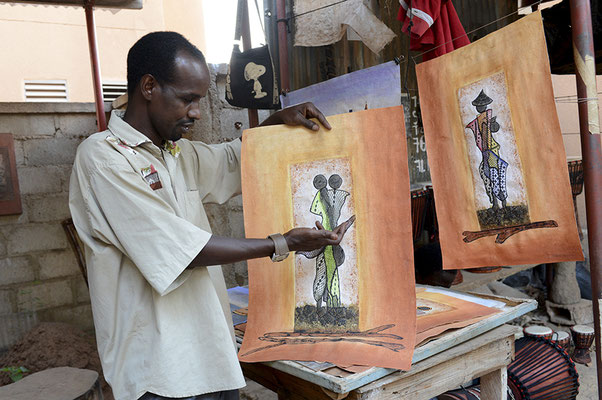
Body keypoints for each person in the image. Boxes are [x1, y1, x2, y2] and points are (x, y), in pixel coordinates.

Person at [69, 31, 353, 400]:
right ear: (150, 86)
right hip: (162, 373)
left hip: (211, 358)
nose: (196, 112)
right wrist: (283, 243)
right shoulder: (104, 159)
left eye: (199, 100)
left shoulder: (175, 153)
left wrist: (277, 123)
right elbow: (184, 250)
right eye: (187, 99)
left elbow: (235, 160)